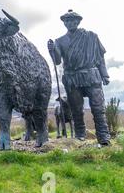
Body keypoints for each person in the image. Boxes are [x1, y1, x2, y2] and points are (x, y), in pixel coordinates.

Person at [48, 9, 111, 146]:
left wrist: (104, 74)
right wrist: (52, 51)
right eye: (67, 21)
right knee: (76, 110)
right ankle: (80, 135)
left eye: (73, 20)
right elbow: (57, 61)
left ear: (78, 21)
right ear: (64, 23)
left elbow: (100, 57)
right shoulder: (59, 41)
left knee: (98, 108)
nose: (70, 23)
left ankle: (104, 136)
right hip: (72, 78)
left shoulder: (91, 36)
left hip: (91, 75)